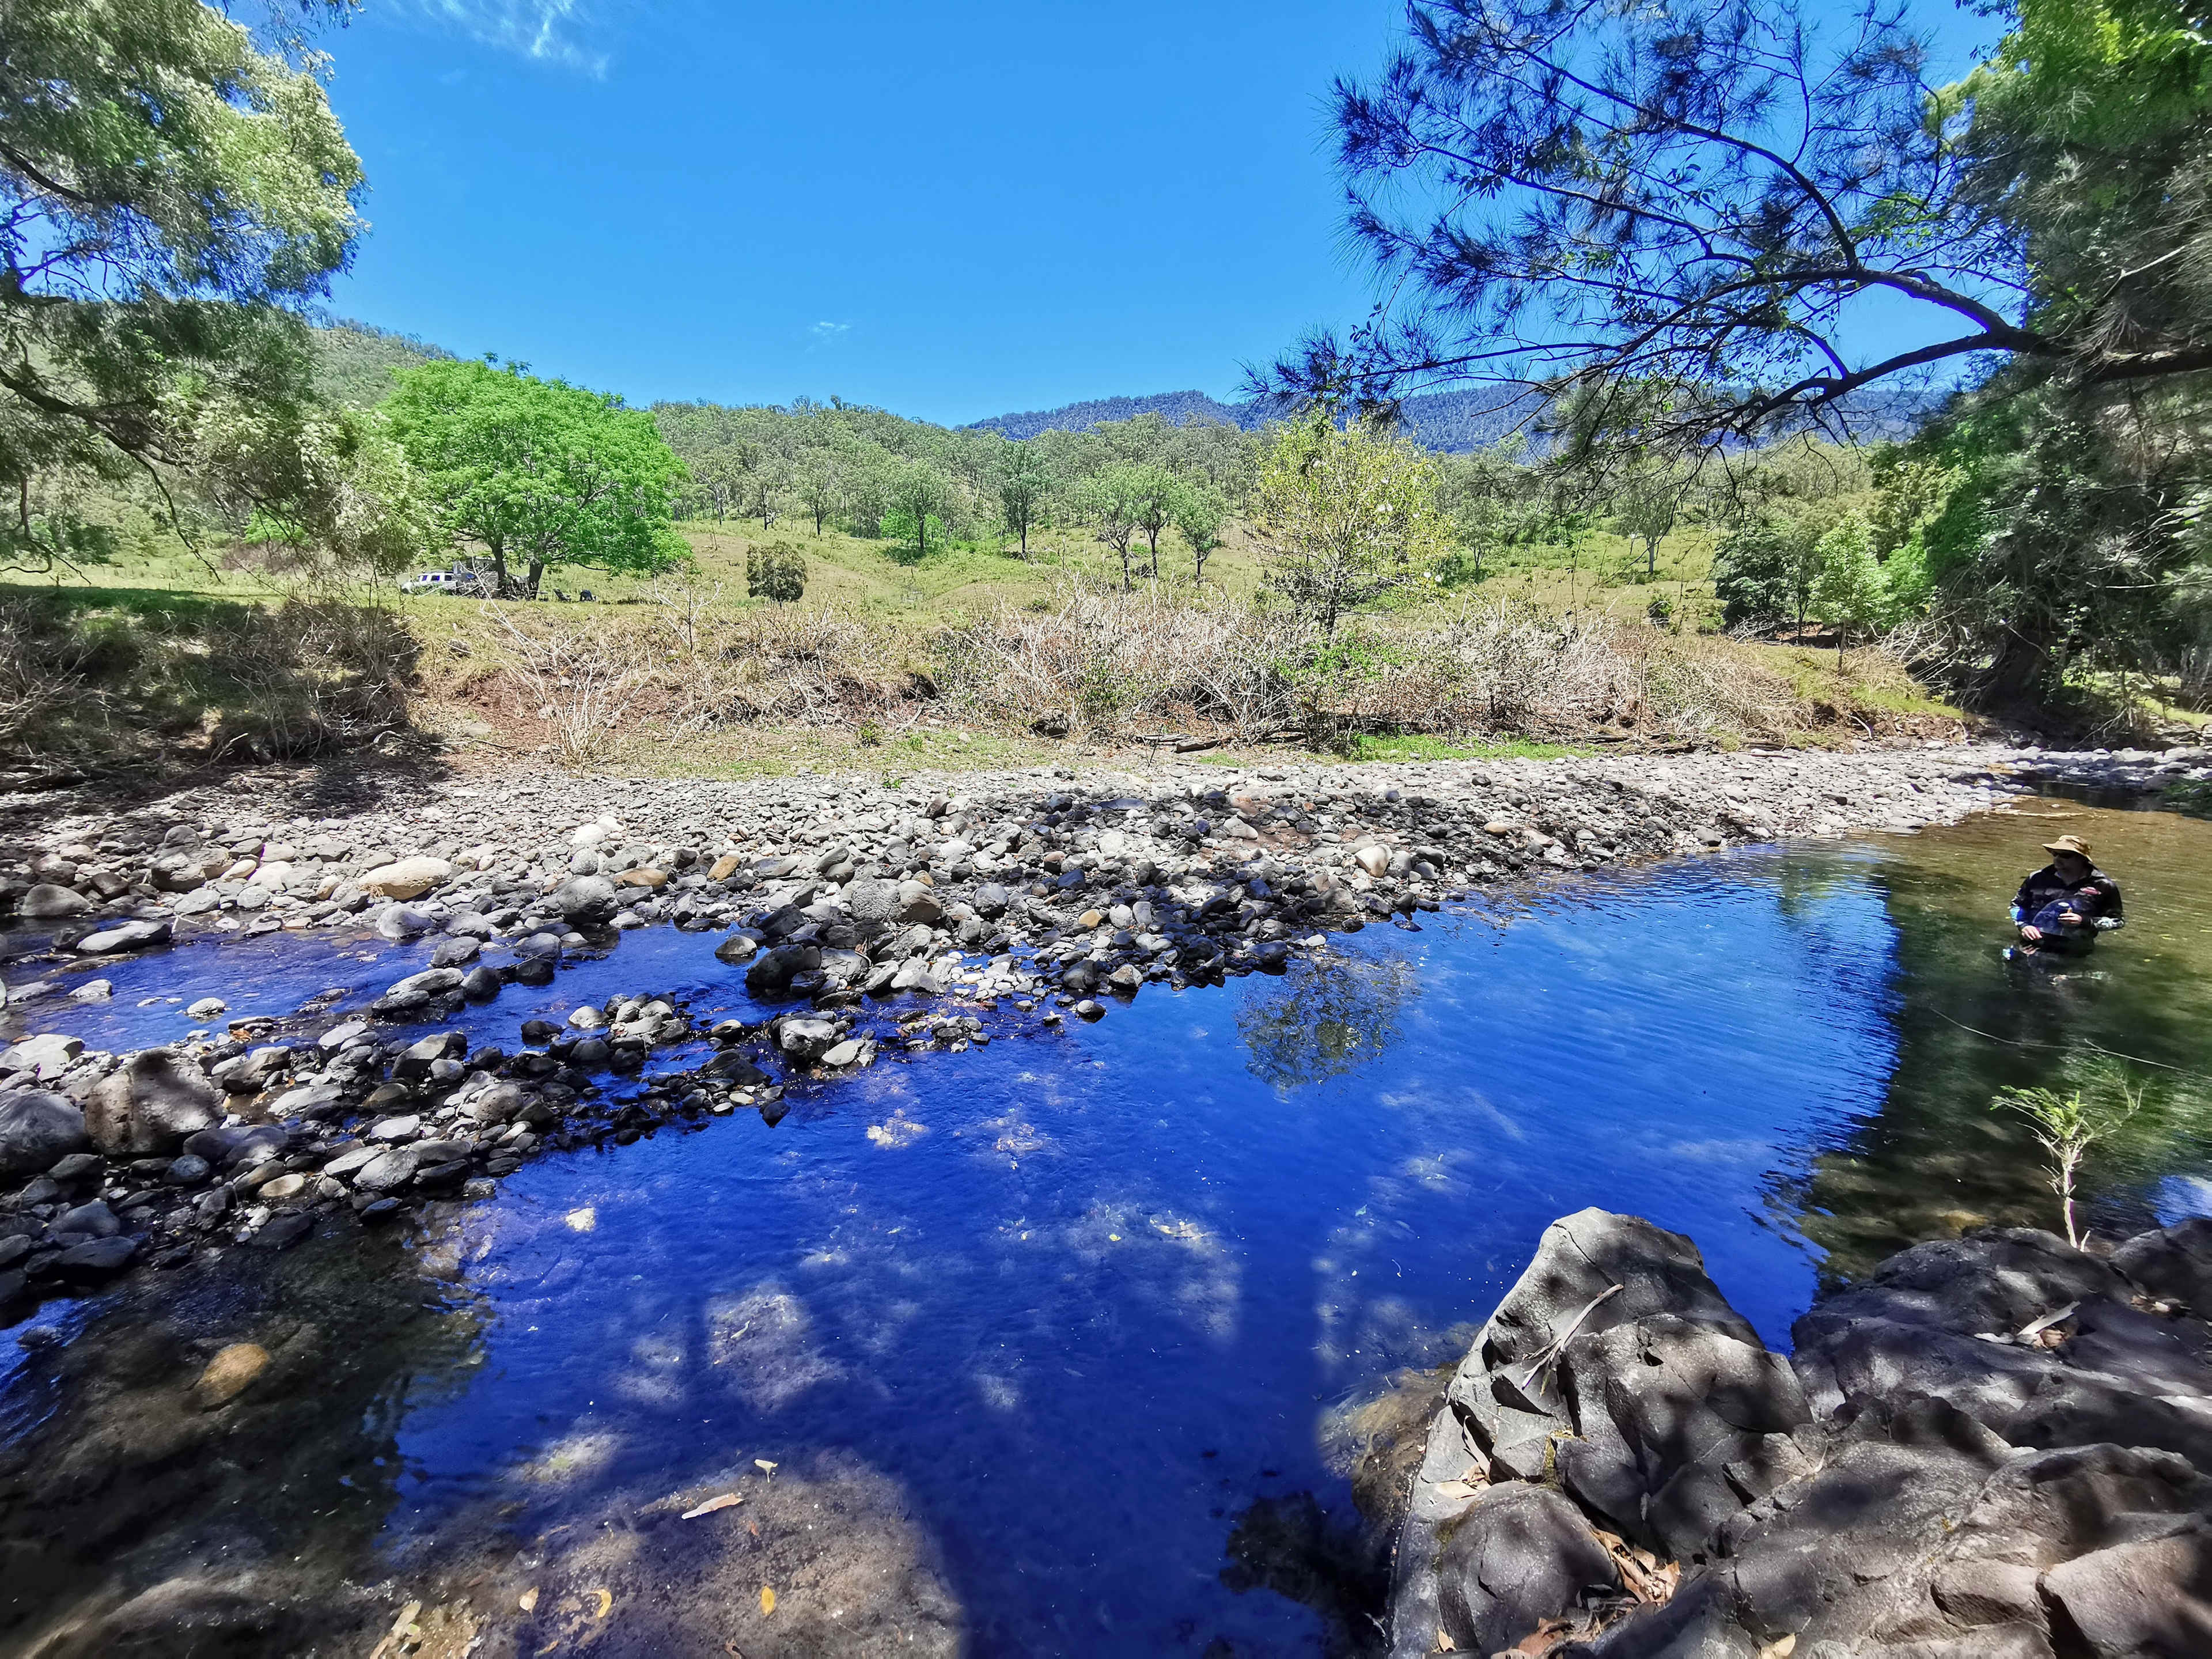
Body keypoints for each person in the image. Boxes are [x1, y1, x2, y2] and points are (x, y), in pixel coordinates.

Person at [2010, 834, 2124, 950]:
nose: (2058, 859)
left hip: (2075, 949)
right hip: (2031, 943)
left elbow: (2118, 922)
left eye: (2065, 855)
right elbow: (2017, 905)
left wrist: (2084, 921)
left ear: (2082, 859)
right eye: (2055, 854)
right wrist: (2024, 926)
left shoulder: (2103, 886)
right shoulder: (2037, 878)